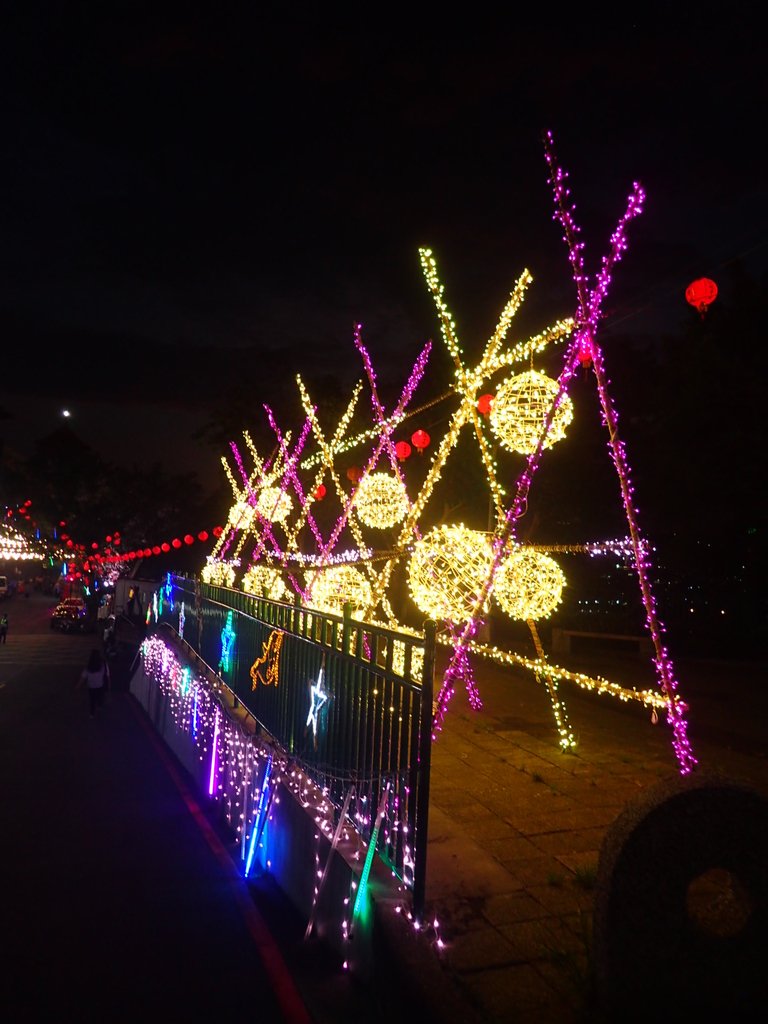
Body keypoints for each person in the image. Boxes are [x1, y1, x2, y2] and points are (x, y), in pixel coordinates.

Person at [78, 648, 110, 718]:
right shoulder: (103, 665)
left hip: (91, 686)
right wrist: (108, 684)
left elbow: (83, 678)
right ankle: (99, 707)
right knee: (100, 697)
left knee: (92, 700)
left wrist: (78, 686)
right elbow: (107, 675)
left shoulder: (88, 667)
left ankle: (92, 713)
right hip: (100, 685)